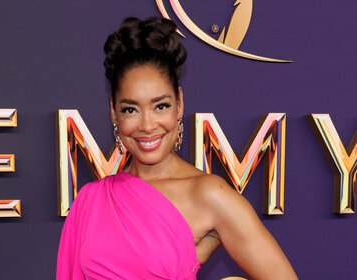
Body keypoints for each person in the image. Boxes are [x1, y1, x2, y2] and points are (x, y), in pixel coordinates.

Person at [56, 16, 298, 280]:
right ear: (114, 112)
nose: (148, 125)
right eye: (130, 109)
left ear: (179, 103)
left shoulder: (209, 194)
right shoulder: (90, 201)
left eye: (161, 106)